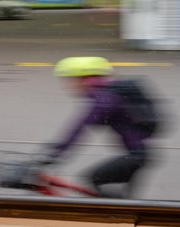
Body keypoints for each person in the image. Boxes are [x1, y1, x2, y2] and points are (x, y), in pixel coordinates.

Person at [39, 56, 152, 198]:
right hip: (137, 155)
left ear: (85, 79)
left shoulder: (105, 99)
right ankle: (117, 211)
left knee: (96, 179)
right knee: (115, 195)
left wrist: (55, 154)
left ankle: (115, 214)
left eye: (72, 80)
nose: (69, 85)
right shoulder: (108, 94)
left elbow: (80, 127)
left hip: (135, 156)